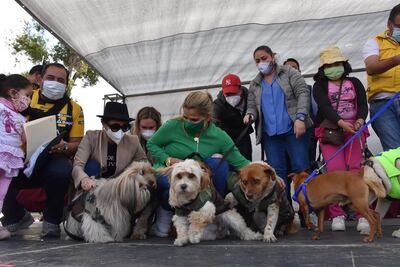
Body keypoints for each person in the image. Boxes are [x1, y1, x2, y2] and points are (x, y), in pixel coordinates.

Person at [147, 91, 250, 237]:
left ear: (207, 117)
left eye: (194, 119)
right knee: (166, 183)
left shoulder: (219, 136)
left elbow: (242, 163)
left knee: (219, 163)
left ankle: (212, 216)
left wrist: (269, 173)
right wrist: (168, 159)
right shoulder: (172, 126)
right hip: (170, 172)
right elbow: (152, 144)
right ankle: (166, 216)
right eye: (185, 117)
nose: (188, 121)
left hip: (199, 183)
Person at [1, 63, 84, 238]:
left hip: (54, 156)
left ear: (67, 83)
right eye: (51, 78)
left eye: (61, 80)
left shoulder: (75, 109)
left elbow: (77, 142)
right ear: (40, 78)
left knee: (61, 171)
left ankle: (52, 221)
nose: (56, 83)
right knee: (5, 170)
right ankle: (15, 217)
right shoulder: (25, 96)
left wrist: (66, 146)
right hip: (20, 156)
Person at [245, 46, 312, 201]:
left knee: (301, 169)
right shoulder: (255, 84)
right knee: (277, 174)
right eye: (257, 61)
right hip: (270, 136)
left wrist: (300, 118)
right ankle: (285, 212)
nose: (261, 62)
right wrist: (250, 114)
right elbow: (251, 106)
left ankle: (308, 211)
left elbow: (303, 93)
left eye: (264, 58)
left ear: (272, 57)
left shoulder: (289, 73)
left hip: (293, 130)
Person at [313, 46, 369, 232]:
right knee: (334, 172)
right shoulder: (319, 86)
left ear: (344, 64)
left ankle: (362, 214)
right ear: (323, 68)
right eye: (329, 65)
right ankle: (337, 214)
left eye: (337, 63)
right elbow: (324, 107)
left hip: (353, 130)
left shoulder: (354, 82)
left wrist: (360, 119)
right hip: (332, 131)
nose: (333, 67)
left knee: (355, 172)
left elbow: (362, 104)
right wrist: (340, 122)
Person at [73, 102, 147, 191]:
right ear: (104, 124)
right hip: (94, 184)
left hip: (121, 187)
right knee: (91, 166)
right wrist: (84, 179)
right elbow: (78, 165)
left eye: (125, 127)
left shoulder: (133, 141)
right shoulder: (91, 137)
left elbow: (144, 164)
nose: (120, 131)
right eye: (115, 127)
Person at [363, 4, 400, 151]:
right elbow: (371, 67)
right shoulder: (374, 42)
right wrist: (396, 60)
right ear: (389, 24)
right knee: (395, 152)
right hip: (383, 103)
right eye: (399, 26)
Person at [0, 74, 33, 240]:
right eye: (27, 95)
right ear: (13, 93)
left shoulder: (21, 118)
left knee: (1, 193)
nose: (28, 100)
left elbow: (24, 139)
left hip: (10, 160)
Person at [283, 58, 318, 164]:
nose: (290, 70)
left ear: (299, 71)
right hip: (286, 134)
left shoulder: (309, 89)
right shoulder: (278, 91)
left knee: (307, 165)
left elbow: (316, 111)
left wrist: (313, 134)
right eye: (287, 68)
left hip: (308, 134)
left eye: (294, 67)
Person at [213, 73, 253, 160]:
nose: (231, 96)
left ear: (240, 89)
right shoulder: (218, 105)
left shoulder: (250, 97)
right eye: (227, 94)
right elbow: (214, 123)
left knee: (246, 163)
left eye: (233, 92)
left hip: (243, 137)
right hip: (226, 139)